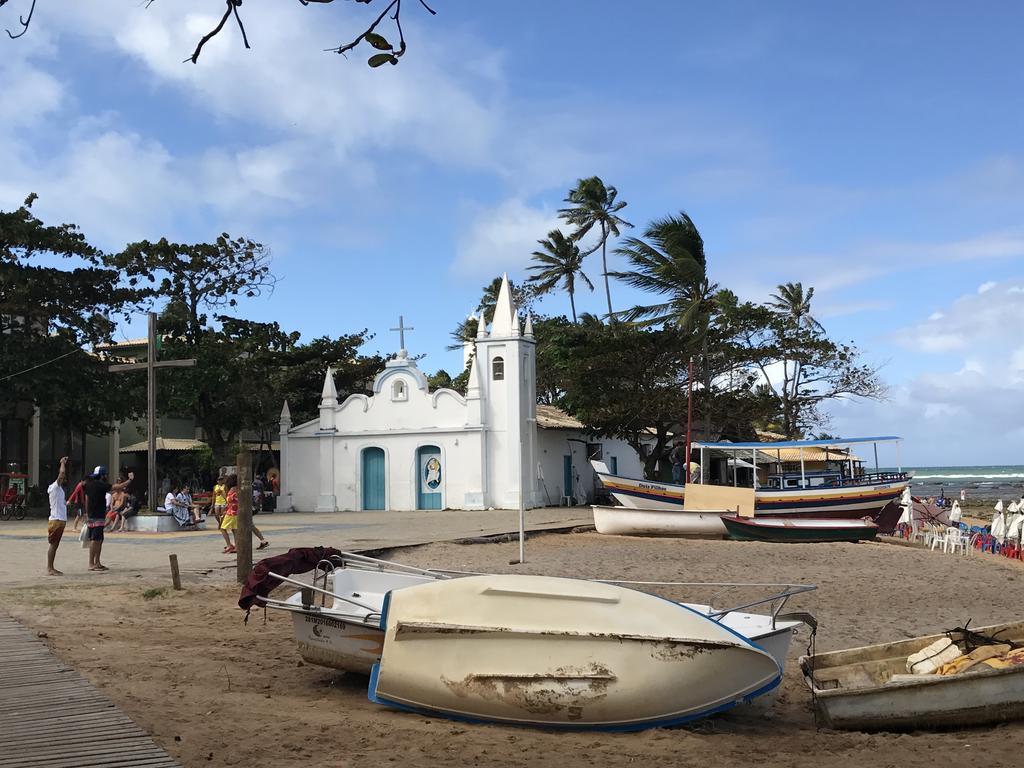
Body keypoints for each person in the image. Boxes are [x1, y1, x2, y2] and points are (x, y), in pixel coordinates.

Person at [83, 466, 132, 572]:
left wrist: (86, 513)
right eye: (105, 475)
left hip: (92, 515)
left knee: (99, 539)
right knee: (95, 540)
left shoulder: (88, 485)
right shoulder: (101, 485)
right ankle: (92, 563)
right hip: (97, 515)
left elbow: (86, 500)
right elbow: (119, 486)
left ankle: (97, 562)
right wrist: (130, 480)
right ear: (102, 476)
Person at [220, 475, 269, 554]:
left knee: (226, 528)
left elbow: (230, 500)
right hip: (241, 511)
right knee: (240, 528)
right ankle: (261, 540)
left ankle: (231, 545)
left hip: (233, 512)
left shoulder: (233, 489)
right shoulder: (241, 488)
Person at [46, 456, 70, 576]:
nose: (64, 478)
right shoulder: (54, 487)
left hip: (59, 520)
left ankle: (51, 567)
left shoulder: (58, 489)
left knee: (55, 545)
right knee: (53, 545)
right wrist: (62, 463)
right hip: (56, 520)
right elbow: (61, 474)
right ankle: (50, 568)